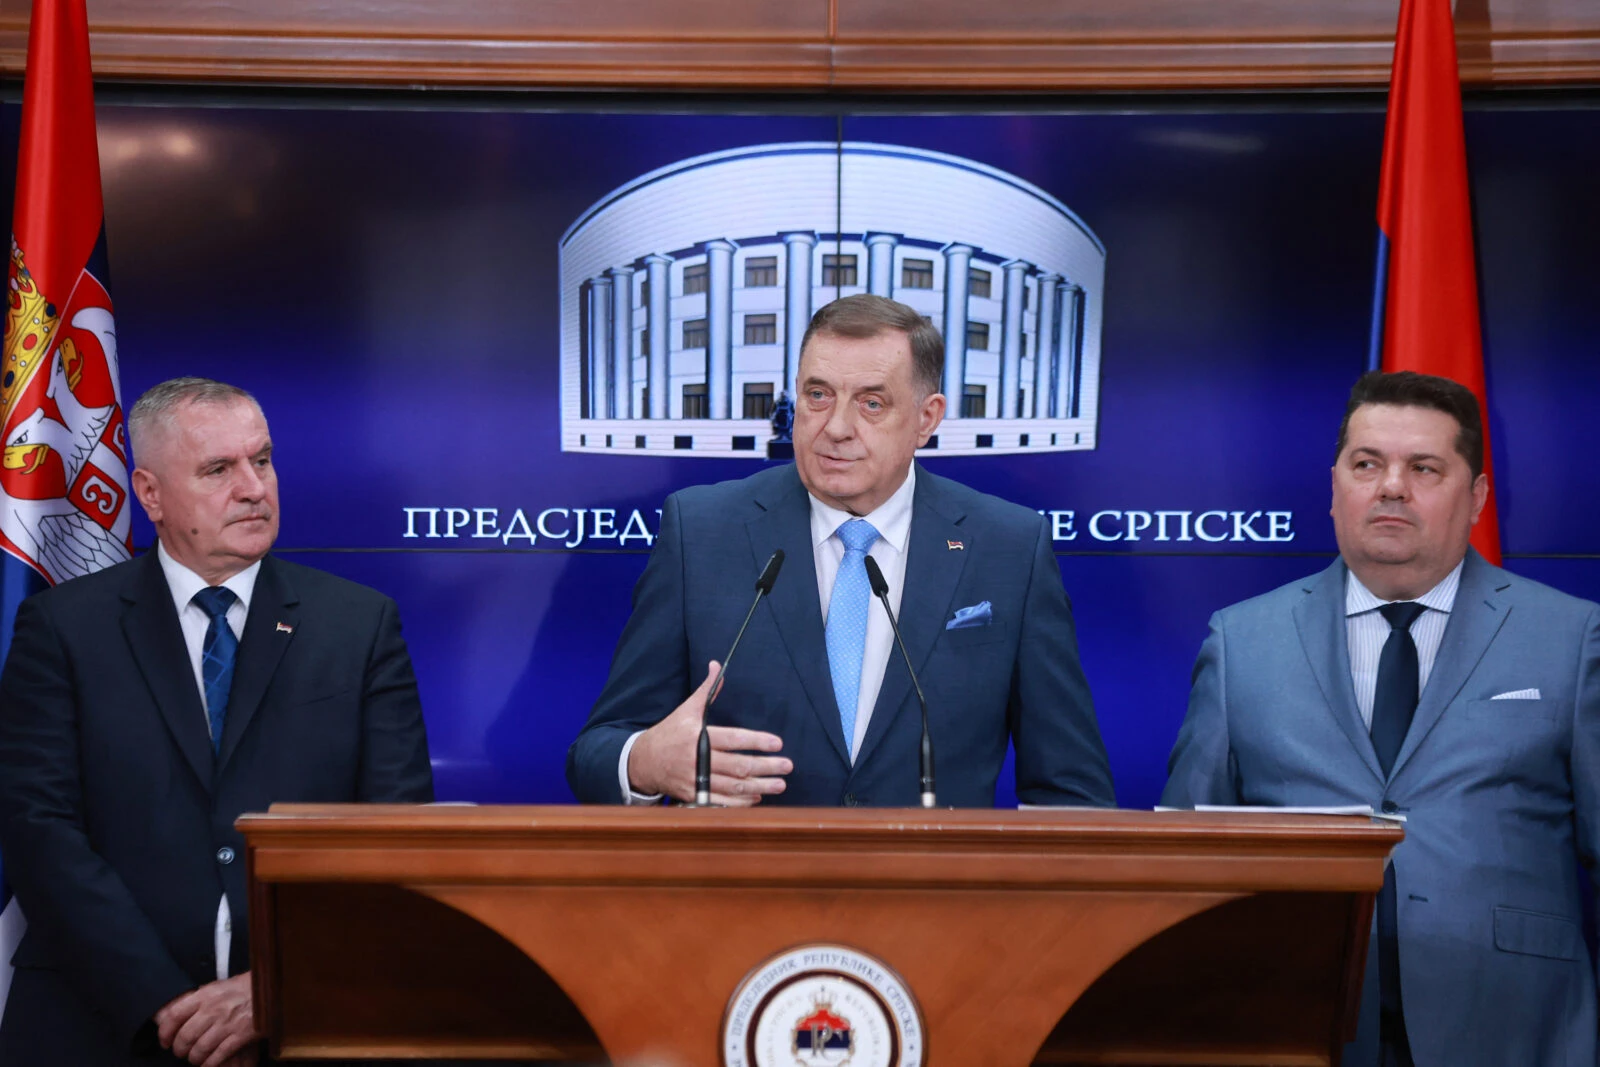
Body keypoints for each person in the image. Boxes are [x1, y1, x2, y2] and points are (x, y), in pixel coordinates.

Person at [1162, 370, 1599, 1066]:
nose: (1392, 485)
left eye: (1424, 467)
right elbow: (1184, 862)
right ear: (1335, 485)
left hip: (1518, 1031)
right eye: (1368, 464)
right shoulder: (1242, 640)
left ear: (1478, 495)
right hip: (1297, 1024)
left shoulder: (1571, 638)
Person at [0, 377, 434, 1067]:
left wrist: (275, 989)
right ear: (149, 494)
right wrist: (167, 1006)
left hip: (304, 1024)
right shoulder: (62, 626)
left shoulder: (360, 624)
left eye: (262, 460)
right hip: (101, 1023)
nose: (254, 487)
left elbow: (395, 835)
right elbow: (38, 830)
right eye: (218, 469)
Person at [567, 294, 1114, 808]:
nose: (836, 428)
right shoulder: (702, 531)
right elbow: (596, 751)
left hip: (936, 900)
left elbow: (1072, 788)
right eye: (818, 395)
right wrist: (644, 761)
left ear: (927, 418)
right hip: (741, 897)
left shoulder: (1009, 547)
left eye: (871, 403)